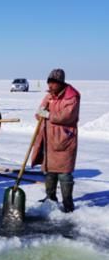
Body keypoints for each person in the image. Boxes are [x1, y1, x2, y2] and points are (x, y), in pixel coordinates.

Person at [32, 68, 80, 213]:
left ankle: (67, 203)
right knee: (50, 170)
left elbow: (66, 116)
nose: (50, 86)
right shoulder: (49, 96)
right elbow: (39, 112)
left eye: (53, 83)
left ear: (60, 83)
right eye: (49, 83)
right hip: (49, 138)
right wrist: (40, 113)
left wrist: (47, 114)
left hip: (64, 138)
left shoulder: (72, 97)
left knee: (64, 172)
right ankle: (50, 198)